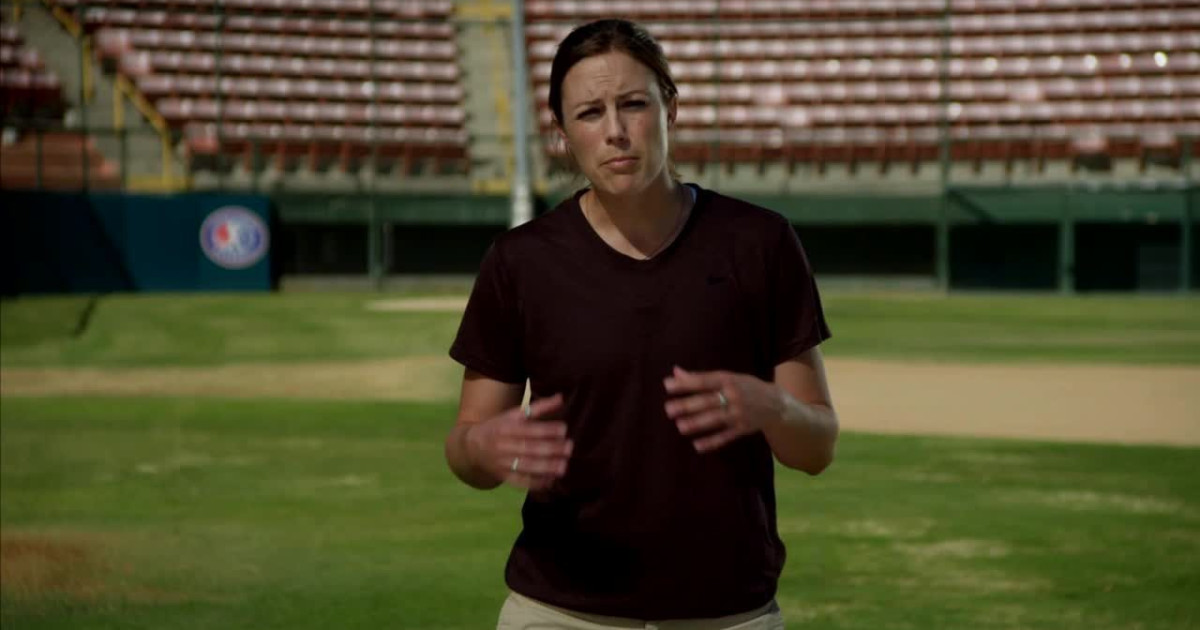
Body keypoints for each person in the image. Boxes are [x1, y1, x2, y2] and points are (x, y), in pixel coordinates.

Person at [445, 18, 837, 630]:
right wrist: (482, 448)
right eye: (590, 113)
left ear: (669, 108)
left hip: (728, 612)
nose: (616, 131)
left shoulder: (759, 243)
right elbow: (465, 443)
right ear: (563, 133)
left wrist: (773, 408)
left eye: (634, 104)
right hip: (558, 611)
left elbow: (817, 448)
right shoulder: (520, 262)